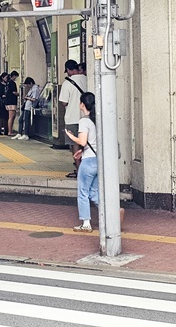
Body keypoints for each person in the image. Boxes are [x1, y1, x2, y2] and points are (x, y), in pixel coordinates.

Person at [65, 92, 98, 232]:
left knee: (83, 192)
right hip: (97, 160)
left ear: (82, 104)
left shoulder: (84, 121)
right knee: (94, 192)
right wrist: (83, 151)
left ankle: (86, 223)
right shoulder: (96, 120)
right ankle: (112, 212)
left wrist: (71, 136)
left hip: (88, 163)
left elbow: (83, 141)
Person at [58, 59, 87, 178]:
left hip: (72, 118)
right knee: (86, 144)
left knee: (75, 144)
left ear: (69, 70)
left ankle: (79, 169)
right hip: (87, 117)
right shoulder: (86, 79)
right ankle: (87, 169)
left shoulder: (67, 83)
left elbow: (64, 102)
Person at [5, 70, 19, 136]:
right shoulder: (12, 83)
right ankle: (10, 131)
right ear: (13, 76)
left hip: (8, 101)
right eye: (16, 77)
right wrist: (19, 94)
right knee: (11, 117)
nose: (16, 78)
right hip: (12, 102)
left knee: (11, 117)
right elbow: (14, 92)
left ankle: (10, 131)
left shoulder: (7, 83)